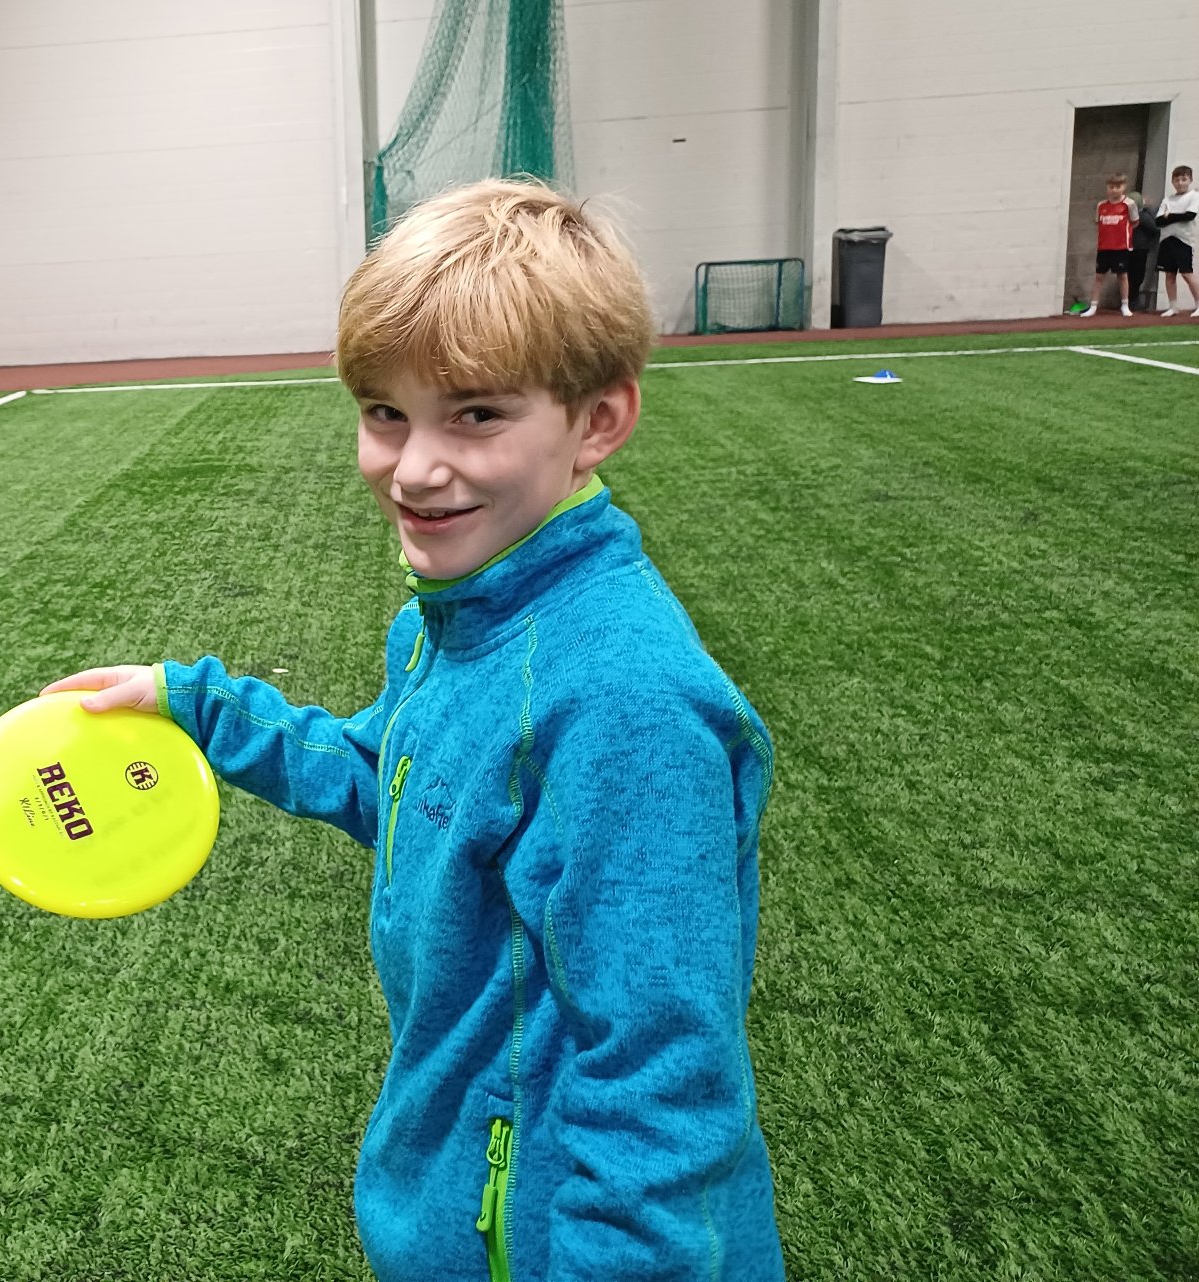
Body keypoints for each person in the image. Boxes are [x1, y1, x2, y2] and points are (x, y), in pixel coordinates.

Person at [42, 179, 785, 1282]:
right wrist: (194, 703)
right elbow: (397, 782)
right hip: (448, 1199)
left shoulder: (624, 706)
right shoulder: (454, 619)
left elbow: (661, 1081)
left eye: (475, 414)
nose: (413, 468)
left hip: (540, 1243)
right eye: (384, 412)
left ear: (597, 422)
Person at [1083, 173, 1140, 317]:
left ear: (1124, 187)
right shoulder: (1101, 205)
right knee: (1099, 277)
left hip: (1121, 247)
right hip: (1104, 247)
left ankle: (1125, 305)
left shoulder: (1129, 204)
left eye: (1118, 187)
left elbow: (1135, 222)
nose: (1114, 190)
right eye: (1111, 187)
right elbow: (1097, 222)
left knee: (1122, 276)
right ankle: (1093, 306)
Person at [1156, 164, 1198, 316]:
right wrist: (1173, 217)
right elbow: (1158, 221)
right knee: (1169, 274)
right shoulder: (1167, 199)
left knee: (1187, 274)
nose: (1180, 183)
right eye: (1177, 180)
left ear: (1190, 180)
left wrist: (1169, 216)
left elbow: (1189, 216)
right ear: (1172, 181)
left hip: (1183, 240)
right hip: (1167, 239)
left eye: (1184, 179)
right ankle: (1173, 306)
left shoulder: (1194, 196)